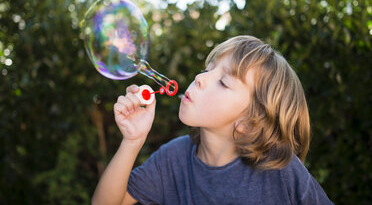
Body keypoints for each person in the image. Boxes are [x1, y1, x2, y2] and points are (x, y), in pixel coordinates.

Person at [92, 35, 334, 205]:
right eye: (207, 69)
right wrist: (133, 141)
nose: (199, 78)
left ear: (249, 123)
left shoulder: (281, 172)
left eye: (223, 82)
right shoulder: (174, 158)